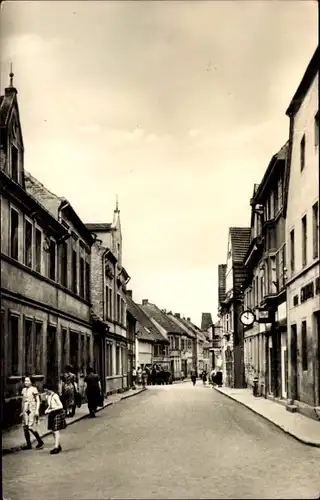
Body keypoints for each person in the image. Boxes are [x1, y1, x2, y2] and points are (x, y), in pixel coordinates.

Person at [20, 376, 44, 450]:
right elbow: (23, 401)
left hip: (31, 409)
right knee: (25, 427)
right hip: (25, 410)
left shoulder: (34, 389)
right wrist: (22, 411)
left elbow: (38, 400)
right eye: (25, 381)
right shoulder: (23, 390)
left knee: (30, 427)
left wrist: (37, 410)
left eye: (27, 381)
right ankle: (28, 444)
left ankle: (40, 441)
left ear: (31, 382)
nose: (26, 382)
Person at [43, 380, 66, 454]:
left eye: (46, 390)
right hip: (52, 413)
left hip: (57, 413)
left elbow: (61, 406)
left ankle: (56, 447)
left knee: (56, 431)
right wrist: (47, 409)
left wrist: (51, 410)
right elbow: (50, 405)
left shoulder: (55, 396)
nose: (46, 392)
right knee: (52, 430)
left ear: (50, 389)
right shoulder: (48, 396)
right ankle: (58, 445)